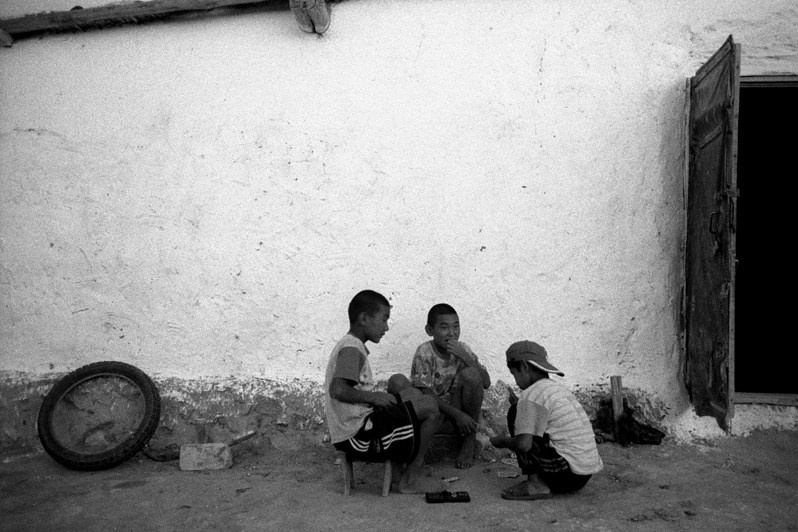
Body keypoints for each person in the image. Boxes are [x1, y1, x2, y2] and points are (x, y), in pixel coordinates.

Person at [324, 290, 441, 493]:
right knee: (430, 407)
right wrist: (374, 397)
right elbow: (338, 389)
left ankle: (401, 471)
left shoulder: (353, 345)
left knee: (405, 388)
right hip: (357, 435)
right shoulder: (351, 348)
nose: (386, 327)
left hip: (361, 424)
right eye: (384, 319)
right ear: (363, 318)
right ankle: (411, 478)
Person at [490, 340, 603, 500]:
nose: (515, 380)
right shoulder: (555, 388)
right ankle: (542, 482)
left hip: (566, 474)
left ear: (524, 366)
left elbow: (523, 444)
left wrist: (503, 442)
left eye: (514, 373)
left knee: (514, 414)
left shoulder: (531, 394)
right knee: (518, 411)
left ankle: (536, 484)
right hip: (583, 475)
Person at [410, 303, 491, 468]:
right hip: (435, 413)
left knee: (472, 374)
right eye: (444, 328)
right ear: (430, 330)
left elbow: (486, 383)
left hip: (457, 408)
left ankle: (469, 439)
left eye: (456, 327)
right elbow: (425, 392)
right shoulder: (424, 352)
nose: (452, 333)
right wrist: (457, 415)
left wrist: (466, 357)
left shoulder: (463, 350)